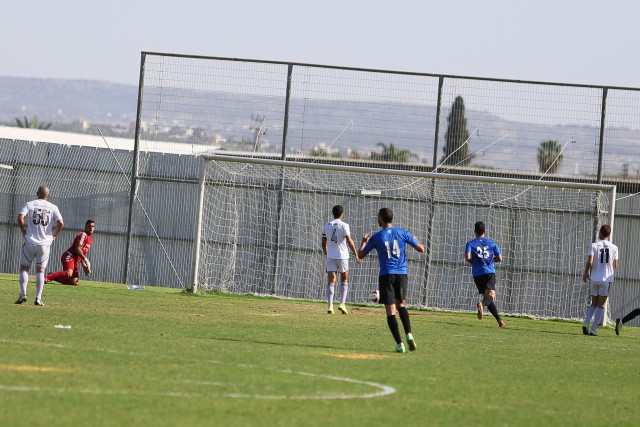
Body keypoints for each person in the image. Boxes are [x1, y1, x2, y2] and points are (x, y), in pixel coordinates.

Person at [358, 208, 425, 353]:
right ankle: (409, 334)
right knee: (401, 304)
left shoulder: (377, 237)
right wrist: (417, 239)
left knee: (390, 311)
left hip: (386, 275)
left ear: (381, 219)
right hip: (402, 274)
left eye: (378, 217)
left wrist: (364, 242)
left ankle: (400, 345)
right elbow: (421, 249)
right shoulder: (403, 232)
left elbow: (360, 255)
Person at [15, 186, 64, 306]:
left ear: (37, 193)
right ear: (49, 195)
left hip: (30, 241)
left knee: (24, 268)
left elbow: (20, 218)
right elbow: (61, 222)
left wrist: (23, 231)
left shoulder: (29, 204)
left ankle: (23, 294)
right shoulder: (53, 207)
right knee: (40, 271)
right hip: (44, 244)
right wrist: (54, 235)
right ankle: (38, 298)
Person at [465, 221, 506, 328]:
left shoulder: (470, 243)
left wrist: (475, 262)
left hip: (477, 274)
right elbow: (500, 258)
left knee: (487, 297)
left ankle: (499, 321)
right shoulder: (492, 243)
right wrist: (491, 260)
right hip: (489, 272)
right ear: (485, 231)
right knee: (491, 296)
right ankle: (482, 305)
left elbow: (467, 257)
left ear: (475, 231)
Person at [322, 205, 359, 314]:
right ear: (342, 214)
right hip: (343, 256)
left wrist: (326, 253)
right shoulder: (344, 225)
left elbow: (323, 242)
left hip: (331, 256)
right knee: (344, 279)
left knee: (331, 280)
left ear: (333, 213)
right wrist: (356, 254)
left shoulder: (327, 225)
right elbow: (349, 241)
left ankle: (330, 306)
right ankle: (342, 304)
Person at [582, 224, 619, 336]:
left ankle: (586, 324)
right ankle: (593, 330)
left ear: (600, 233)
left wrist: (586, 272)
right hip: (606, 280)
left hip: (594, 278)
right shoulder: (614, 247)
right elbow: (615, 265)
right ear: (609, 234)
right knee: (601, 305)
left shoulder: (593, 245)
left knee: (593, 303)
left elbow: (590, 262)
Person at [45, 219, 95, 286]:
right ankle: (46, 278)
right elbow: (78, 249)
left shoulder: (90, 239)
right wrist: (86, 260)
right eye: (89, 226)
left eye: (93, 226)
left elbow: (82, 253)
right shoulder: (83, 235)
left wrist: (84, 266)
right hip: (70, 256)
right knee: (69, 273)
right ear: (85, 227)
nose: (91, 228)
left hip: (75, 260)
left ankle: (52, 276)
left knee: (74, 282)